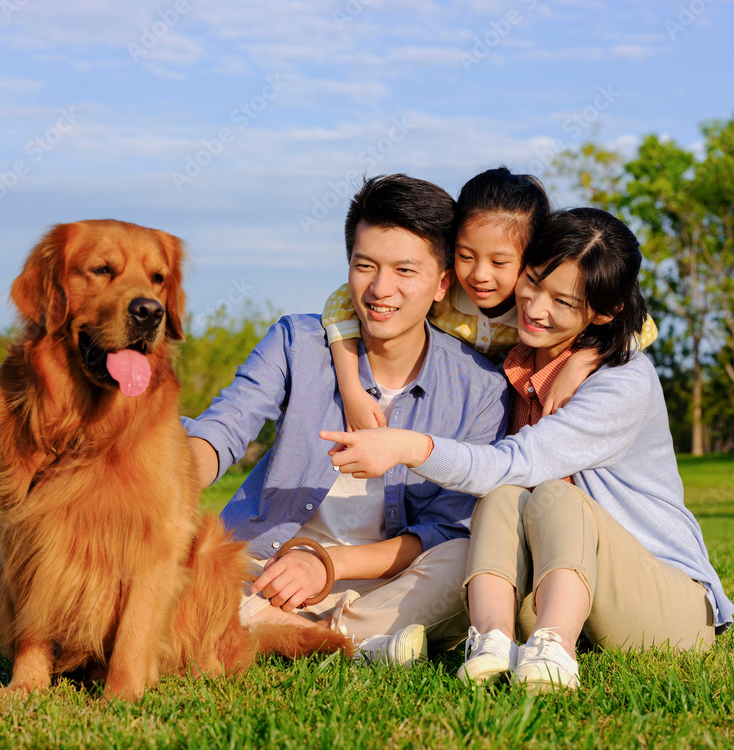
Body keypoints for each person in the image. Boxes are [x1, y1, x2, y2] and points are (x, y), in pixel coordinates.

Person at [320, 207, 734, 690]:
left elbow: (515, 461)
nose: (535, 308)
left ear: (603, 313)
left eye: (562, 301)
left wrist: (410, 446)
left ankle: (554, 650)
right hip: (562, 581)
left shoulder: (621, 380)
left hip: (667, 606)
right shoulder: (515, 354)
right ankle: (490, 643)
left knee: (550, 493)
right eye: (533, 282)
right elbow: (363, 299)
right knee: (503, 498)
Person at [183, 174, 509, 665]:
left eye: (405, 270)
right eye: (365, 266)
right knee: (190, 564)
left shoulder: (481, 389)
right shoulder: (297, 342)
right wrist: (173, 480)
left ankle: (300, 632)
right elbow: (225, 427)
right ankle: (356, 645)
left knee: (470, 558)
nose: (381, 289)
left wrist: (324, 564)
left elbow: (445, 529)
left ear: (443, 283)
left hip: (383, 579)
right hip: (261, 565)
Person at [320, 167, 658, 430]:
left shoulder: (537, 312)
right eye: (466, 255)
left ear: (531, 257)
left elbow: (642, 328)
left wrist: (581, 361)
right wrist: (351, 390)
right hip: (443, 405)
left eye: (499, 262)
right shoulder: (443, 290)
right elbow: (341, 303)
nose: (480, 274)